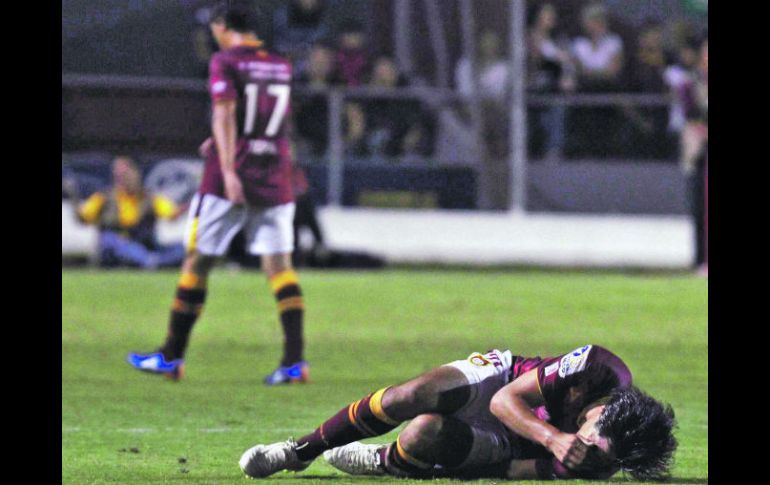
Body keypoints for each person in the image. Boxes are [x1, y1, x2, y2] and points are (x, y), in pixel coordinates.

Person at [127, 2, 310, 385]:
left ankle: (171, 356)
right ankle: (294, 363)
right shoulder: (279, 62)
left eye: (213, 27)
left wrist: (228, 168)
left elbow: (226, 111)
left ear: (223, 25)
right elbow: (268, 115)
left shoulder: (226, 61)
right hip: (274, 170)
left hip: (235, 174)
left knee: (197, 261)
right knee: (280, 266)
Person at [239, 344, 677, 481]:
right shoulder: (596, 367)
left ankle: (390, 462)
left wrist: (455, 462)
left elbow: (510, 471)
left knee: (423, 433)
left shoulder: (597, 462)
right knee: (404, 399)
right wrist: (554, 437)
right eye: (586, 438)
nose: (582, 449)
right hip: (502, 382)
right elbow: (504, 400)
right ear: (607, 411)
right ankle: (300, 450)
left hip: (512, 440)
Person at [66, 156, 186, 269]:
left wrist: (190, 205)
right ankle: (151, 261)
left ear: (136, 173)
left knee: (182, 248)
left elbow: (172, 214)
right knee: (111, 239)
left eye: (127, 173)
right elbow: (83, 218)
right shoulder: (104, 198)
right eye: (119, 175)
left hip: (143, 244)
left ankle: (154, 261)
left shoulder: (149, 198)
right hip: (115, 246)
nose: (124, 178)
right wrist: (73, 199)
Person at [679, 36, 708, 275]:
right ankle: (700, 260)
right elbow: (690, 115)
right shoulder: (690, 83)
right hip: (699, 150)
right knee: (699, 206)